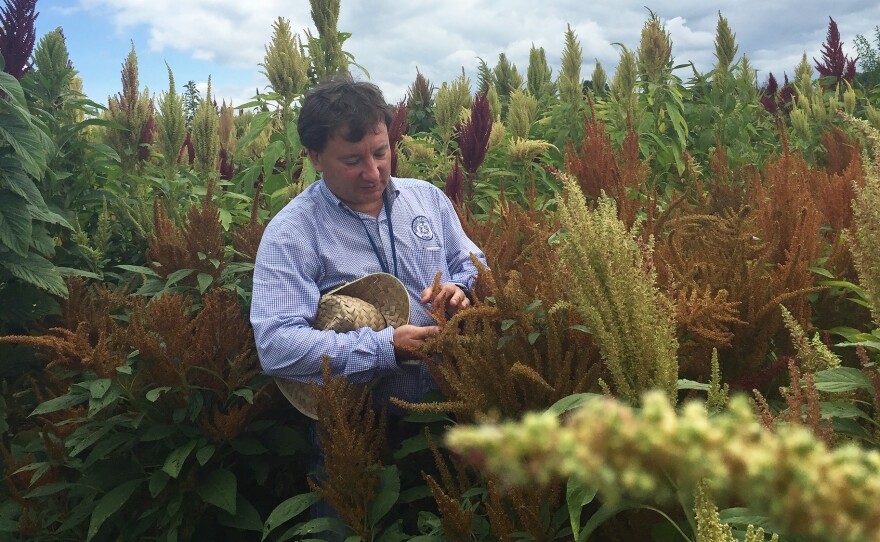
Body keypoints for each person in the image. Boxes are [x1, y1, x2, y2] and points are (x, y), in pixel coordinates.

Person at [250, 73, 488, 412]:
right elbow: (277, 345)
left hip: (453, 404)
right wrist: (385, 346)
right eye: (352, 161)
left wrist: (460, 287)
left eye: (380, 153)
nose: (374, 172)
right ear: (316, 158)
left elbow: (472, 263)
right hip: (360, 427)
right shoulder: (292, 233)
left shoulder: (428, 200)